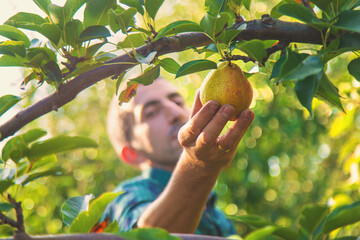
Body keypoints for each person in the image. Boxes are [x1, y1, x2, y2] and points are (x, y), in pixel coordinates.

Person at [99, 77, 254, 236]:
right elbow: (145, 236)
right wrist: (199, 166)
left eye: (178, 102)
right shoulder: (125, 197)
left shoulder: (220, 218)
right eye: (151, 113)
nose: (176, 113)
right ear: (132, 154)